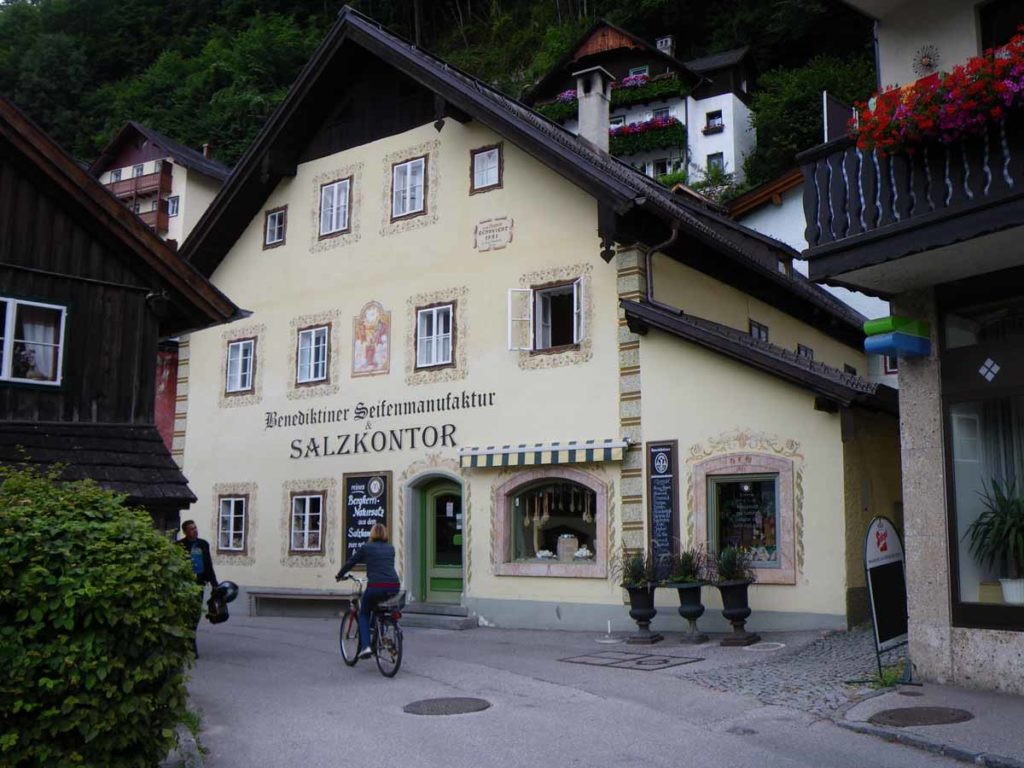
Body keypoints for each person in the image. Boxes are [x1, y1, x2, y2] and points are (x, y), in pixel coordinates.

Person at [335, 523, 399, 659]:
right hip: (394, 586)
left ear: (372, 534)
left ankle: (366, 647)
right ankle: (382, 633)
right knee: (379, 609)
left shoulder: (367, 547)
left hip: (376, 586)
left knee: (364, 613)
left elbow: (351, 562)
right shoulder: (390, 548)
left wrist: (339, 575)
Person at [178, 520, 218, 656]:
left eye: (195, 528)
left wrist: (214, 584)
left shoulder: (203, 544)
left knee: (195, 614)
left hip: (199, 584)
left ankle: (191, 642)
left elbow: (209, 565)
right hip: (184, 585)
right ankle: (186, 644)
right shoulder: (180, 546)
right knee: (185, 615)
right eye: (191, 529)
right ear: (185, 532)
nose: (195, 530)